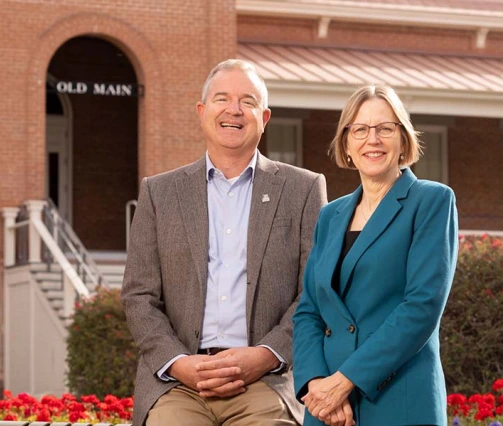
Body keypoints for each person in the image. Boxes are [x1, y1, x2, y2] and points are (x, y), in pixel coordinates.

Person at [121, 59, 327, 426]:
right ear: (202, 112)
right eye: (222, 99)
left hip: (267, 382)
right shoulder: (159, 193)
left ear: (263, 118)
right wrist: (180, 363)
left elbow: (314, 293)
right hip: (178, 385)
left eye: (247, 101)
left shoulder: (303, 190)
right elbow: (139, 295)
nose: (234, 110)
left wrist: (265, 355)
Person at [292, 84, 458, 426]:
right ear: (347, 143)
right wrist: (317, 384)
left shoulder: (431, 201)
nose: (373, 139)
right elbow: (309, 310)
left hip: (399, 399)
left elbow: (422, 306)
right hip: (328, 409)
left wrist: (344, 381)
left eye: (385, 128)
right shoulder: (331, 215)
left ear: (402, 139)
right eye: (361, 129)